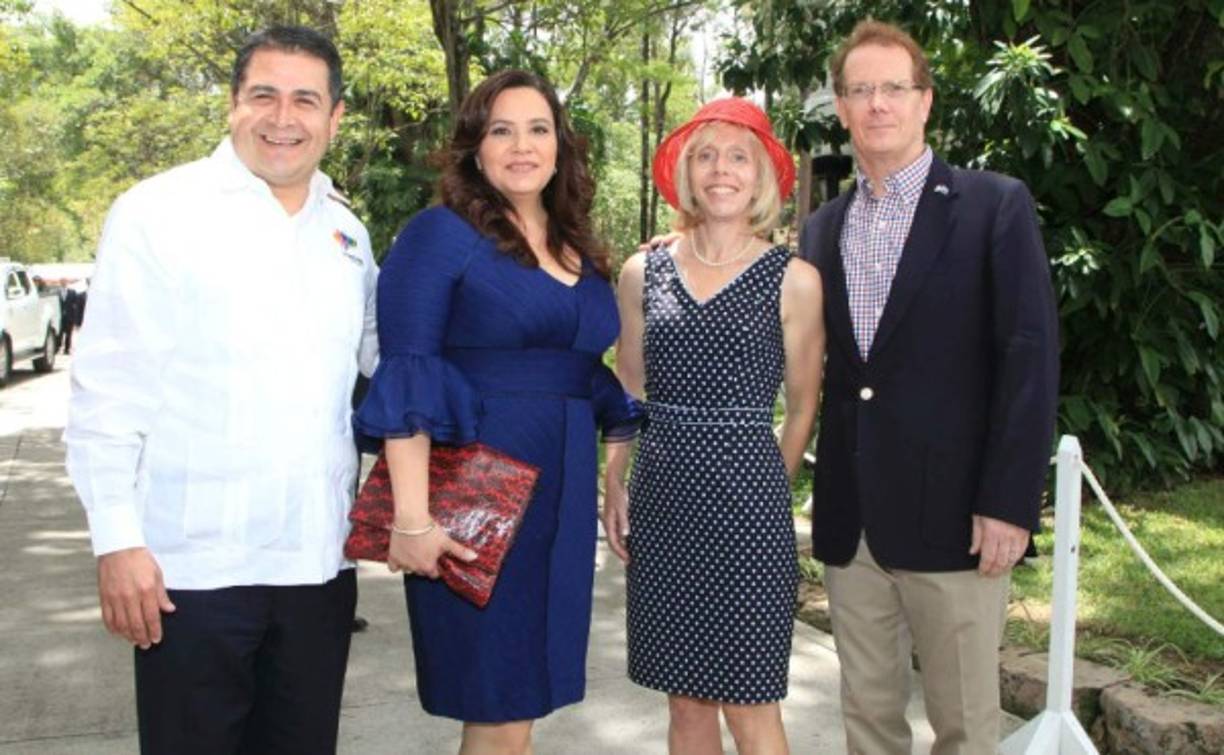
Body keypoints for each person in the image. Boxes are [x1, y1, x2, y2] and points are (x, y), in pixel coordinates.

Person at [64, 26, 377, 755]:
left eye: (306, 100)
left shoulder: (347, 234)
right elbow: (107, 388)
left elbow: (392, 356)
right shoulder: (157, 213)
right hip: (191, 570)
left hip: (315, 566)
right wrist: (117, 539)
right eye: (263, 95)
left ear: (334, 119)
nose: (282, 117)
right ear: (232, 105)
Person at [352, 69, 639, 755]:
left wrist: (615, 472)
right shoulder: (438, 236)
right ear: (474, 147)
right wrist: (413, 520)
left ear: (561, 146)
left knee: (523, 701)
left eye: (538, 129)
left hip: (560, 499)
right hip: (479, 495)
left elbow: (583, 375)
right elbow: (408, 377)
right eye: (500, 130)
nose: (522, 145)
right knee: (498, 703)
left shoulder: (578, 245)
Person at [798, 20, 1060, 755]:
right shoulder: (822, 228)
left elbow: (1029, 360)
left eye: (893, 88)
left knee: (967, 727)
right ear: (842, 109)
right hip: (854, 525)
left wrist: (1008, 502)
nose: (877, 103)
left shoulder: (992, 206)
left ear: (925, 101)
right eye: (859, 90)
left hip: (959, 522)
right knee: (869, 724)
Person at [603, 98, 826, 754]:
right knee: (685, 705)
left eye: (737, 156)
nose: (720, 169)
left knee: (751, 705)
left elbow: (803, 404)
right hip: (665, 501)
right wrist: (615, 478)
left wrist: (764, 488)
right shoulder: (644, 270)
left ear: (761, 177)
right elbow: (628, 386)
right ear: (686, 173)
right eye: (706, 155)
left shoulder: (796, 280)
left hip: (748, 511)